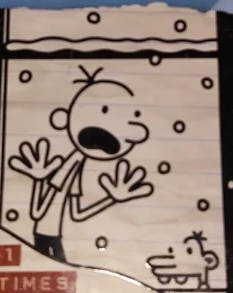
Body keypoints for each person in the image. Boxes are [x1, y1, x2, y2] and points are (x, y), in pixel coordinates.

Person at [8, 65, 154, 261]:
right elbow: (37, 212)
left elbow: (76, 214)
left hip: (53, 236)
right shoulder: (65, 170)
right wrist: (39, 180)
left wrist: (112, 198)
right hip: (44, 236)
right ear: (63, 118)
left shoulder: (74, 168)